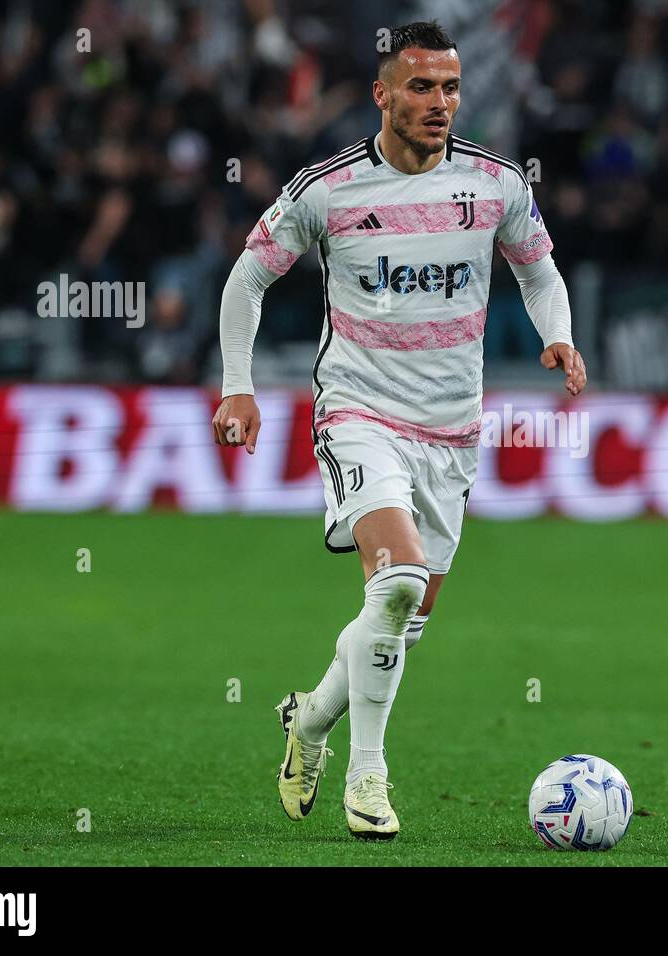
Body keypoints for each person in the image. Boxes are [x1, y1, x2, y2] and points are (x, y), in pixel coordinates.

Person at [212, 20, 585, 840]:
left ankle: (309, 721)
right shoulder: (327, 188)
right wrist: (238, 386)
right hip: (358, 413)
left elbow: (537, 264)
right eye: (421, 87)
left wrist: (557, 330)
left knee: (399, 620)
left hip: (452, 432)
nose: (440, 103)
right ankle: (368, 776)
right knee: (401, 582)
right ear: (382, 93)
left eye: (450, 88)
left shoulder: (494, 184)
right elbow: (247, 279)